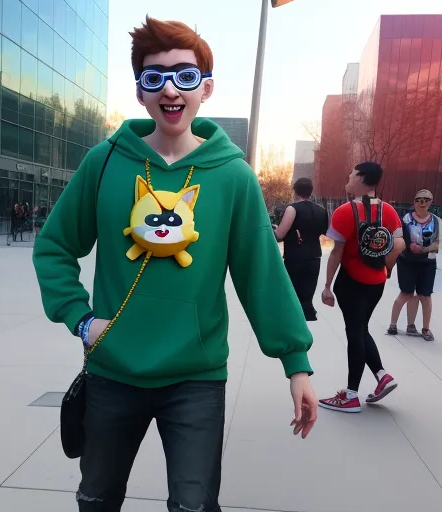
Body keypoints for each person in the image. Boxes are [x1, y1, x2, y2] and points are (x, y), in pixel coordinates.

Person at [33, 16, 317, 512]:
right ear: (140, 90)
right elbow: (54, 247)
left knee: (193, 505)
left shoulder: (232, 177)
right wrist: (80, 320)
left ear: (205, 88)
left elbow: (262, 277)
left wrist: (296, 364)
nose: (170, 89)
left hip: (196, 378)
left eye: (184, 76)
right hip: (113, 373)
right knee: (96, 499)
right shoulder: (104, 163)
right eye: (154, 76)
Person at [319, 162, 405, 413]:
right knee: (360, 328)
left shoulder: (345, 212)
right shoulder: (389, 211)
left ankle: (351, 395)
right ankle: (382, 376)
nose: (348, 177)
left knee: (354, 333)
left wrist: (327, 286)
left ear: (362, 178)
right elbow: (398, 245)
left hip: (351, 281)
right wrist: (387, 269)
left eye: (351, 174)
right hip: (376, 281)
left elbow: (337, 252)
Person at [387, 189, 440, 341]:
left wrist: (423, 249)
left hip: (427, 263)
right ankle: (393, 324)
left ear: (430, 202)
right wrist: (409, 247)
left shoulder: (435, 221)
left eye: (426, 199)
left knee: (425, 295)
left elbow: (437, 243)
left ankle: (425, 328)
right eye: (419, 199)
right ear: (414, 201)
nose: (422, 203)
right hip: (407, 261)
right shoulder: (406, 219)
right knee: (406, 293)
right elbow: (400, 238)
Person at [273, 177, 329, 321]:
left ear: (295, 190)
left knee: (291, 295)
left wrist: (274, 229)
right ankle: (304, 326)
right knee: (306, 297)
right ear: (311, 191)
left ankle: (291, 326)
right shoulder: (321, 210)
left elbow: (280, 235)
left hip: (295, 258)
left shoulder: (292, 209)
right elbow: (324, 232)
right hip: (315, 258)